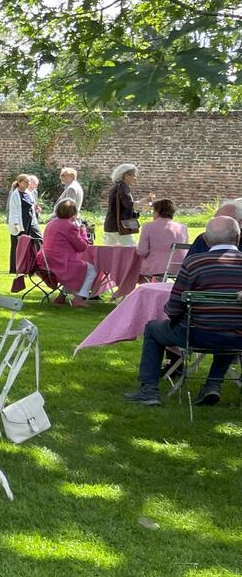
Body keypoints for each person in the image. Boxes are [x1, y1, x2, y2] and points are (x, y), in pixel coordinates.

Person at [125, 216, 242, 407]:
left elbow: (175, 306)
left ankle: (149, 390)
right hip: (237, 337)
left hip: (196, 334)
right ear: (238, 238)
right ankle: (213, 384)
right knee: (231, 325)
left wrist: (174, 317)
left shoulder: (195, 263)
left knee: (153, 329)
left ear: (205, 239)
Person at [39, 199, 98, 305]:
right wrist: (83, 231)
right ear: (73, 213)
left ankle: (61, 297)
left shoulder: (51, 223)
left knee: (76, 266)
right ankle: (79, 298)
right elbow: (82, 247)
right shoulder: (70, 226)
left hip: (45, 261)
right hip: (60, 262)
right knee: (92, 269)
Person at [136, 199, 189, 281]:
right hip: (179, 267)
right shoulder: (182, 228)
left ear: (157, 211)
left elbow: (142, 251)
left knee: (135, 270)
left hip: (155, 268)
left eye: (153, 211)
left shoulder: (148, 227)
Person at [103, 163, 143, 247]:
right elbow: (129, 205)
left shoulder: (116, 187)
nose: (135, 178)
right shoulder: (123, 187)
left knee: (108, 251)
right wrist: (146, 200)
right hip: (119, 226)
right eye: (133, 175)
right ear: (125, 175)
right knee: (131, 248)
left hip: (110, 224)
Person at [6, 175, 39, 273]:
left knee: (31, 243)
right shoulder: (15, 194)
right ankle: (15, 268)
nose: (28, 184)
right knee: (17, 245)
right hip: (20, 222)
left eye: (28, 182)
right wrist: (16, 223)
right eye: (26, 182)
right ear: (19, 182)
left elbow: (31, 206)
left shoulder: (28, 192)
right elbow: (14, 210)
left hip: (29, 222)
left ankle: (27, 266)